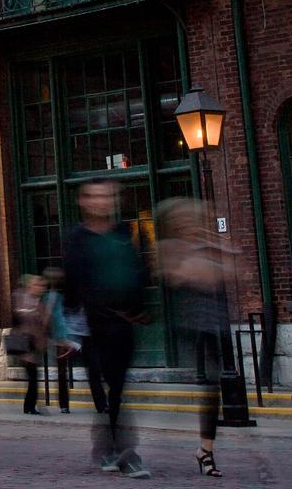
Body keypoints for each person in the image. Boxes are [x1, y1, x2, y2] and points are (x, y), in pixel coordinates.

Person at [62, 180, 150, 478]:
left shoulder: (124, 235)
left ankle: (108, 448)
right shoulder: (76, 238)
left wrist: (139, 308)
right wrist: (69, 330)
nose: (102, 202)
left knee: (119, 388)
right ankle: (125, 452)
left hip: (122, 322)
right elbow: (70, 282)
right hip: (91, 325)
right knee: (105, 390)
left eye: (107, 197)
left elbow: (137, 270)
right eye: (95, 197)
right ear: (84, 202)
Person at [158, 197, 230, 478]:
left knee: (212, 391)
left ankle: (205, 451)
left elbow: (231, 270)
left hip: (212, 325)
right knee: (200, 387)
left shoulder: (205, 247)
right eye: (184, 220)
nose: (190, 224)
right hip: (189, 329)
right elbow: (178, 275)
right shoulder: (171, 248)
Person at [9, 273, 50, 414]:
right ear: (30, 286)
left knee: (33, 377)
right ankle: (29, 407)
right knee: (33, 376)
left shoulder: (38, 302)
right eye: (39, 285)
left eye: (43, 286)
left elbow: (43, 325)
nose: (42, 288)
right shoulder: (23, 299)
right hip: (26, 345)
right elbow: (22, 319)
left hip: (34, 345)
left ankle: (29, 406)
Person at [43, 266, 74, 414]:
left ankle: (64, 404)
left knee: (62, 372)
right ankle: (64, 404)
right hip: (67, 335)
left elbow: (48, 317)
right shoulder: (61, 296)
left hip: (60, 336)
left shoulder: (50, 296)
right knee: (62, 372)